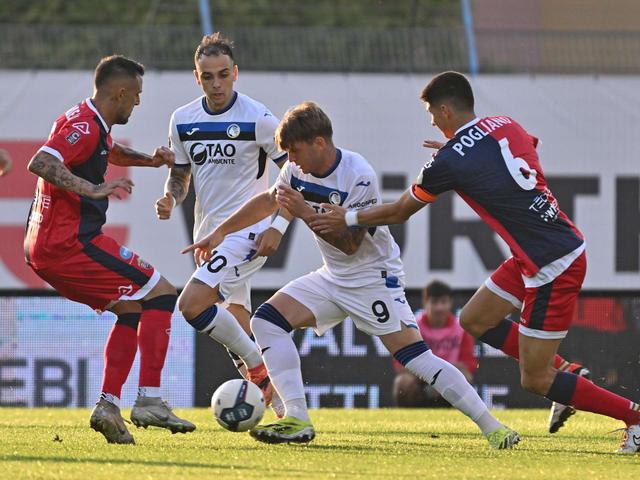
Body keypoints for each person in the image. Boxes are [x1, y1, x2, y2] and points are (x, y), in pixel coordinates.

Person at [309, 71, 640, 453]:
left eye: (433, 113)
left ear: (446, 109)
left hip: (553, 265)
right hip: (540, 251)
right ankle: (567, 373)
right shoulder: (505, 123)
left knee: (534, 379)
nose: (432, 121)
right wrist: (459, 157)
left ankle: (632, 416)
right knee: (474, 319)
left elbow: (401, 211)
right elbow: (527, 147)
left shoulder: (448, 161)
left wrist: (347, 218)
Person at [185, 101, 520, 449]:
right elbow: (271, 201)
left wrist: (301, 211)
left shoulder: (358, 174)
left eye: (295, 152)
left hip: (371, 277)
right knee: (266, 321)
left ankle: (493, 427)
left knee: (416, 359)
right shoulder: (297, 170)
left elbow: (350, 244)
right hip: (333, 276)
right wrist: (221, 232)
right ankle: (297, 418)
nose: (292, 161)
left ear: (319, 143)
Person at [24, 55, 195, 444]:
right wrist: (94, 189)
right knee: (163, 292)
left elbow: (105, 151)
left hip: (49, 246)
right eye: (135, 96)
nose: (137, 103)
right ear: (120, 92)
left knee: (130, 307)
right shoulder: (85, 126)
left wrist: (151, 162)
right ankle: (149, 399)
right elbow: (41, 162)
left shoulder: (88, 122)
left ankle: (108, 405)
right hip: (70, 244)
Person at [155, 33, 291, 412]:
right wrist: (171, 197)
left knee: (193, 304)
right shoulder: (183, 120)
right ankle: (281, 403)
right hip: (207, 235)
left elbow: (293, 177)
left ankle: (259, 371)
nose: (216, 84)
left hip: (247, 233)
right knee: (234, 318)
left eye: (222, 75)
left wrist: (276, 226)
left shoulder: (258, 118)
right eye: (207, 76)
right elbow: (181, 177)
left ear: (235, 73)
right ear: (196, 77)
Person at [393, 280, 477, 408]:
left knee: (465, 377)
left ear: (450, 303)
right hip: (419, 378)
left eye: (443, 302)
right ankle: (408, 417)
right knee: (402, 382)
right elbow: (400, 363)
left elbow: (469, 364)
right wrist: (431, 377)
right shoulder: (413, 326)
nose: (439, 308)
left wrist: (442, 377)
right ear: (425, 303)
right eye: (434, 302)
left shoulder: (460, 329)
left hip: (449, 377)